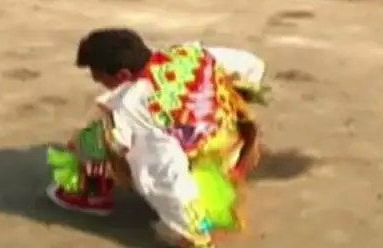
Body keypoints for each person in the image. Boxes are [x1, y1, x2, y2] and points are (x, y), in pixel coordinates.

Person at [46, 28, 269, 247]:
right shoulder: (188, 54)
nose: (98, 82)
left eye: (99, 77)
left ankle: (92, 193)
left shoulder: (134, 106)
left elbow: (165, 173)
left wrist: (192, 232)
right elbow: (249, 65)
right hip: (232, 141)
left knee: (100, 140)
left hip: (202, 172)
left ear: (122, 75)